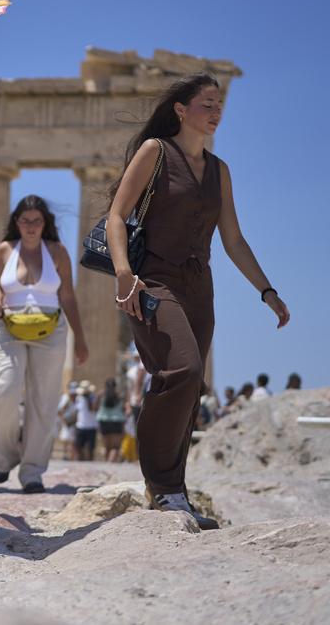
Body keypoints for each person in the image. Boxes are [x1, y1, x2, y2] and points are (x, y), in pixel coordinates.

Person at [106, 72, 290, 530]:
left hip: (198, 289)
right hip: (152, 281)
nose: (216, 111)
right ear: (181, 110)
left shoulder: (220, 170)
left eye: (219, 104)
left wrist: (266, 291)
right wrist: (124, 274)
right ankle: (160, 483)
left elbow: (233, 240)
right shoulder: (155, 152)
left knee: (192, 390)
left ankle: (174, 492)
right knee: (182, 370)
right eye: (207, 103)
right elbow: (116, 216)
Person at [0, 195, 89, 492]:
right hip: (8, 326)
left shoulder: (57, 251)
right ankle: (4, 457)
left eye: (37, 221)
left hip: (50, 330)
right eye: (25, 221)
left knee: (44, 401)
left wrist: (80, 339)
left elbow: (68, 296)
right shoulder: (5, 250)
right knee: (5, 389)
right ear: (16, 223)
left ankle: (32, 470)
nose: (31, 226)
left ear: (45, 223)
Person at [97, 378, 126, 462]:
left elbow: (95, 407)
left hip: (104, 421)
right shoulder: (119, 395)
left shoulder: (101, 395)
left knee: (106, 447)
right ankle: (111, 464)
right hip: (117, 421)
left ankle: (107, 464)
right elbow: (123, 408)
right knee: (115, 447)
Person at [73, 382, 99, 461]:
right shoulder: (78, 398)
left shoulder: (93, 397)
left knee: (90, 448)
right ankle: (80, 461)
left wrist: (88, 399)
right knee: (78, 447)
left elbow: (93, 409)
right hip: (80, 426)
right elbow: (77, 411)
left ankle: (89, 462)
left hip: (91, 427)